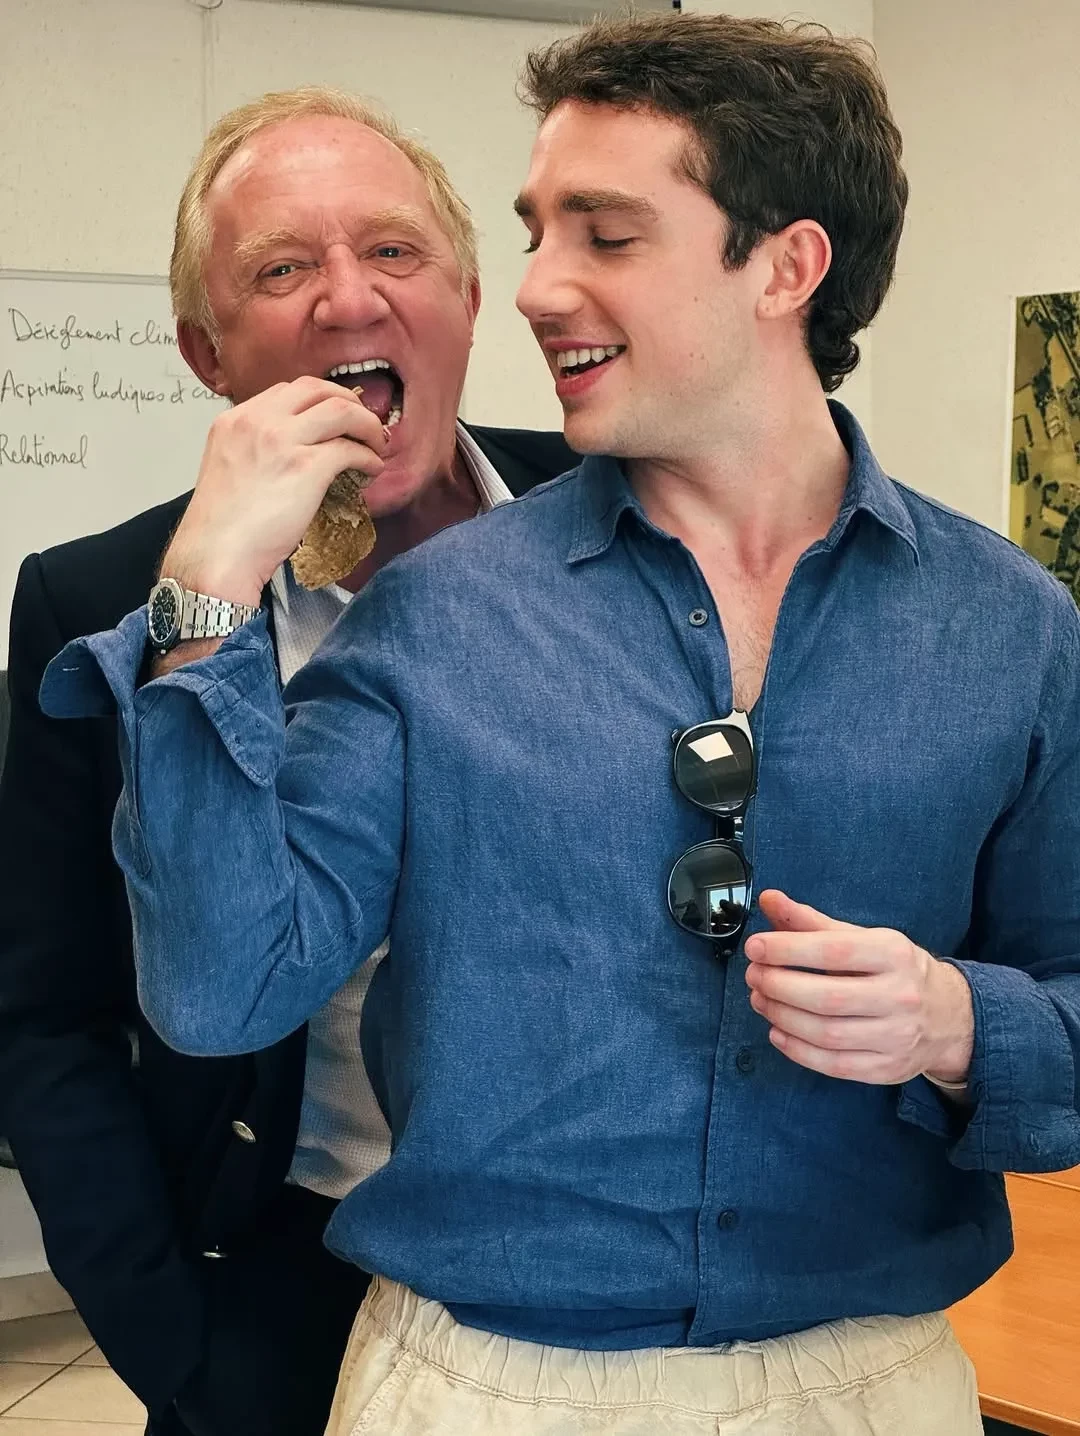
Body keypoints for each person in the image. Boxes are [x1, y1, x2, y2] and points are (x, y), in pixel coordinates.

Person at [40, 14, 1080, 1436]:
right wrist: (205, 595)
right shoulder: (433, 614)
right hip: (483, 1387)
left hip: (874, 1384)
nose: (535, 290)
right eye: (537, 233)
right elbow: (221, 992)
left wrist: (964, 1024)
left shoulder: (1013, 629)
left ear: (786, 266)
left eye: (607, 234)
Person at [0, 85, 574, 1436]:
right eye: (280, 270)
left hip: (587, 1268)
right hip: (287, 1273)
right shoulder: (99, 600)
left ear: (468, 298)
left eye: (393, 250)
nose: (348, 298)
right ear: (208, 353)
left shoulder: (629, 524)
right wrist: (177, 1345)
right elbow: (45, 1012)